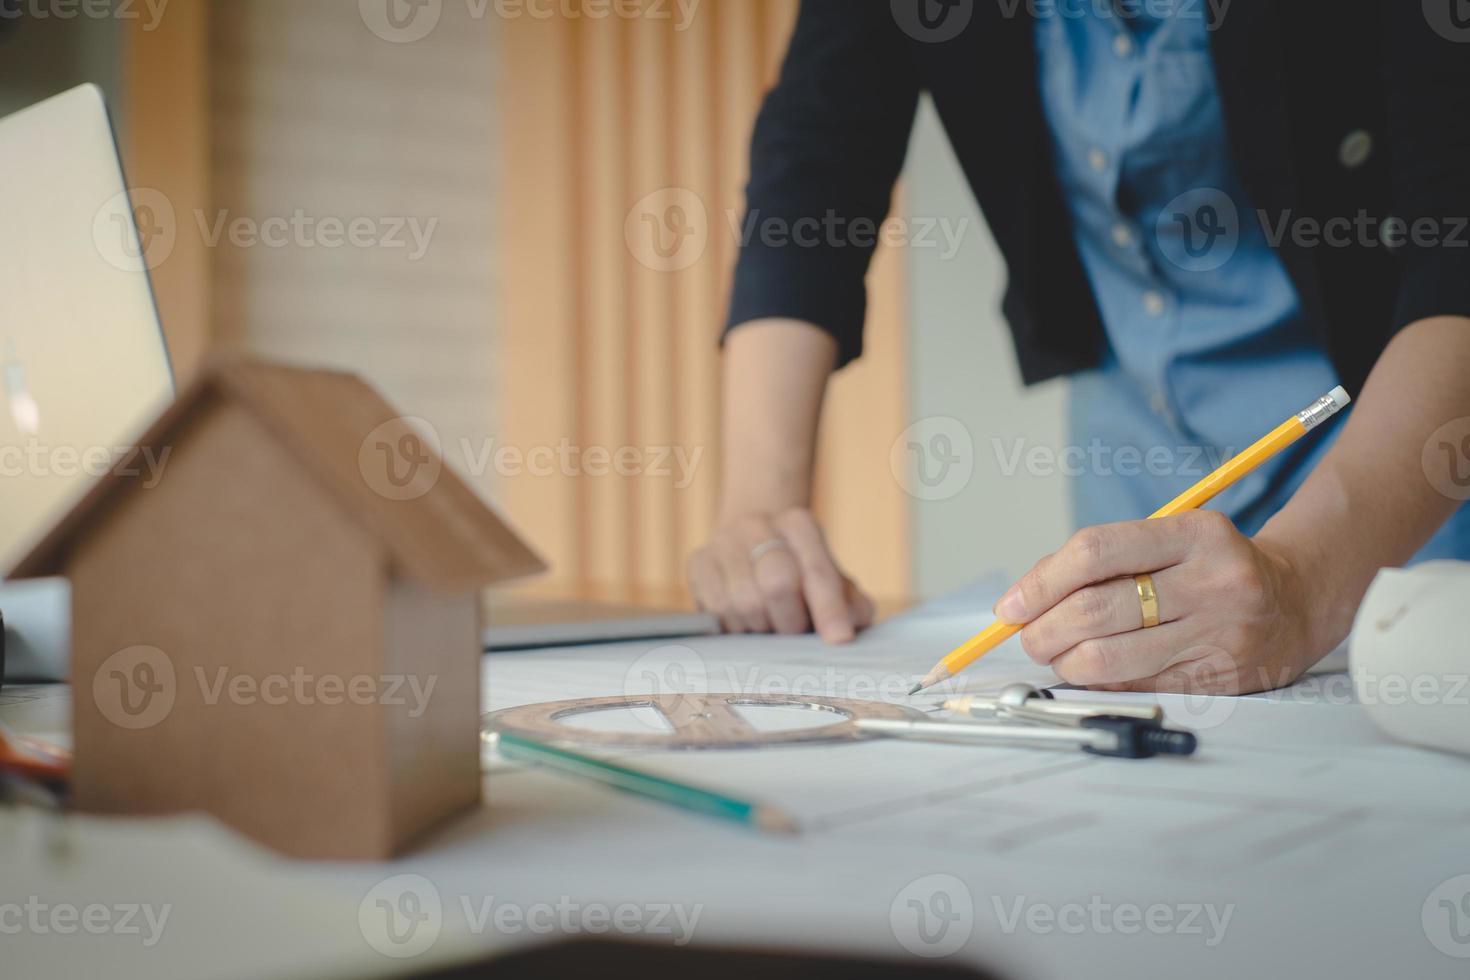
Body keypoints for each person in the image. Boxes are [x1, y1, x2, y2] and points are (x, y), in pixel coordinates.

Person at [685, 0, 1470, 694]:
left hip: (1399, 442)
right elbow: (817, 156)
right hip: (1134, 440)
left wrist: (1305, 582)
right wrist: (761, 502)